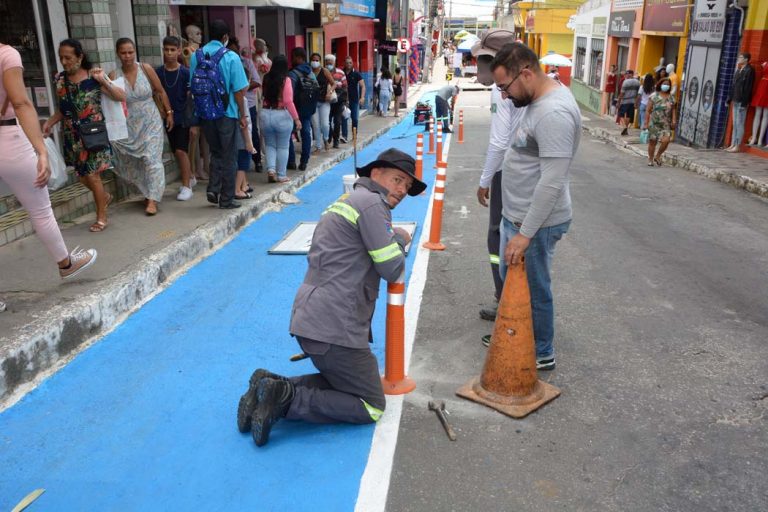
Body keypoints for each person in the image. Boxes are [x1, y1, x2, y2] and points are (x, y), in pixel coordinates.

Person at [236, 148, 427, 447]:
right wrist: (400, 237)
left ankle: (270, 387)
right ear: (375, 173)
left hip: (311, 319)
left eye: (406, 186)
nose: (402, 190)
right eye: (398, 180)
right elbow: (391, 268)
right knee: (371, 404)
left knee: (344, 381)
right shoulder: (372, 205)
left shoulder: (347, 200)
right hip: (336, 328)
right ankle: (287, 400)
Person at [490, 42, 581, 371]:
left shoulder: (553, 112)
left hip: (535, 224)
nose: (503, 95)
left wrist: (525, 234)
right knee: (513, 283)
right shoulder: (537, 97)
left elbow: (552, 180)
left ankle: (541, 351)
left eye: (504, 86)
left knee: (534, 287)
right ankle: (515, 332)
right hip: (516, 217)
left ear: (525, 73)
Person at [0, 41, 97, 290]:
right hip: (8, 138)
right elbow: (20, 103)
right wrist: (41, 150)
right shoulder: (6, 55)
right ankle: (65, 263)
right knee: (40, 208)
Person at [470, 28, 526, 330]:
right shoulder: (524, 79)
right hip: (526, 169)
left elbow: (499, 142)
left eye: (482, 59)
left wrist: (484, 179)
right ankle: (513, 297)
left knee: (497, 235)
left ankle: (504, 297)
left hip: (509, 169)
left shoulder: (501, 88)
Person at [43, 39, 125, 232]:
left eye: (68, 57)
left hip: (94, 134)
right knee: (81, 176)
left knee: (92, 175)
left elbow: (120, 96)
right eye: (61, 57)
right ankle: (103, 197)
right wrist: (49, 123)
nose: (64, 61)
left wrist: (103, 79)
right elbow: (64, 109)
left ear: (80, 57)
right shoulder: (60, 80)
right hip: (73, 136)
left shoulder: (93, 77)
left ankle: (102, 217)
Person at [189, 19, 249, 209]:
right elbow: (239, 90)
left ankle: (213, 189)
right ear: (225, 37)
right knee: (229, 155)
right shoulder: (231, 57)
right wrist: (242, 115)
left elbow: (192, 87)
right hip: (227, 112)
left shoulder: (196, 56)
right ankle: (226, 199)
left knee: (215, 151)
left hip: (205, 112)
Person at [109, 38, 172, 216]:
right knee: (135, 160)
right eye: (123, 52)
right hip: (129, 124)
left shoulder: (146, 69)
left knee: (152, 159)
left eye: (130, 52)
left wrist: (169, 113)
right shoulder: (114, 75)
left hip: (151, 120)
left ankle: (153, 200)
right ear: (118, 54)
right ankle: (148, 191)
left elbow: (160, 91)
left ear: (135, 52)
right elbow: (111, 100)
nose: (127, 56)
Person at [157, 36, 195, 202]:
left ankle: (186, 185)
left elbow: (191, 98)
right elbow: (156, 94)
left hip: (183, 117)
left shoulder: (186, 73)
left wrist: (194, 123)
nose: (170, 53)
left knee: (181, 150)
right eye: (167, 50)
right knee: (176, 151)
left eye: (173, 50)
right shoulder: (158, 72)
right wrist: (162, 111)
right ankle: (190, 177)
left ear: (179, 51)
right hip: (166, 117)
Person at [260, 55, 300, 183]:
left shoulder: (266, 78)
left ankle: (271, 170)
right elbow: (288, 101)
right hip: (281, 114)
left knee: (270, 144)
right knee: (283, 146)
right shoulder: (285, 80)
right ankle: (281, 174)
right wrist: (296, 119)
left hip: (265, 113)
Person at [226, 37, 257, 199]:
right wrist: (249, 142)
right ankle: (237, 190)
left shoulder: (233, 99)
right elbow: (244, 123)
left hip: (236, 138)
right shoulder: (242, 101)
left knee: (239, 163)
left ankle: (243, 185)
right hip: (243, 139)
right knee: (243, 164)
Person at [287, 47, 318, 171]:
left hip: (294, 109)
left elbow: (290, 94)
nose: (292, 59)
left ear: (298, 58)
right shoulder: (311, 72)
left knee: (289, 134)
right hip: (307, 109)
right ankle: (304, 161)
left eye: (293, 57)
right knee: (306, 133)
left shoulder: (293, 74)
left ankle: (291, 161)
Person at [643, 77, 676, 167]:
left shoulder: (671, 98)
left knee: (666, 141)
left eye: (668, 84)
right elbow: (648, 110)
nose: (666, 86)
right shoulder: (653, 96)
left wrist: (673, 120)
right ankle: (650, 159)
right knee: (652, 142)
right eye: (664, 84)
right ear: (660, 84)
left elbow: (673, 110)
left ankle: (657, 156)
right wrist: (646, 123)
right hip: (654, 123)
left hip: (666, 124)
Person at [726, 52, 755, 153]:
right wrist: (729, 98)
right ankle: (733, 144)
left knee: (740, 123)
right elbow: (733, 85)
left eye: (741, 57)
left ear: (746, 59)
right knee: (735, 123)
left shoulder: (749, 70)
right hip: (735, 99)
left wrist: (744, 102)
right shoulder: (738, 70)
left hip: (742, 101)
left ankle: (737, 145)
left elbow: (748, 88)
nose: (739, 58)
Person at [252, 38, 272, 171]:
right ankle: (260, 150)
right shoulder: (256, 60)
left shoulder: (265, 59)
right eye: (262, 45)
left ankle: (264, 149)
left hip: (263, 90)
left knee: (263, 122)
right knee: (258, 124)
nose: (264, 47)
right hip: (257, 91)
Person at [310, 52, 334, 152]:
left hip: (324, 101)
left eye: (317, 60)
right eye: (313, 60)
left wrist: (330, 92)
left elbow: (334, 84)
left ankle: (326, 139)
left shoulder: (324, 71)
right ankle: (318, 146)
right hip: (312, 102)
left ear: (320, 62)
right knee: (315, 124)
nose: (315, 62)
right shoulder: (308, 71)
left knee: (325, 124)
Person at [342, 57, 366, 142]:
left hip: (354, 100)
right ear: (344, 63)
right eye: (347, 63)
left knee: (355, 119)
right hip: (344, 100)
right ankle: (344, 136)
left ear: (352, 63)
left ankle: (354, 135)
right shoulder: (342, 73)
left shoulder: (356, 74)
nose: (348, 64)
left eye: (350, 63)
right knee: (344, 118)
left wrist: (362, 97)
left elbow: (362, 86)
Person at [326, 54, 347, 149]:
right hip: (326, 102)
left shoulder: (340, 73)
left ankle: (336, 141)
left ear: (334, 63)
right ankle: (329, 136)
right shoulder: (323, 72)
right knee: (327, 122)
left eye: (331, 62)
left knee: (337, 121)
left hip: (338, 101)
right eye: (327, 62)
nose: (329, 64)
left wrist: (340, 98)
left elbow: (345, 87)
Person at [617, 69, 640, 136]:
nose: (626, 75)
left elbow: (622, 93)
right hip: (632, 101)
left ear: (631, 74)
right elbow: (638, 93)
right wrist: (636, 102)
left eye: (627, 74)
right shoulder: (637, 82)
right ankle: (626, 130)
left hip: (625, 101)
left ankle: (624, 126)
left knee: (620, 114)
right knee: (629, 116)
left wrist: (618, 101)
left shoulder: (625, 82)